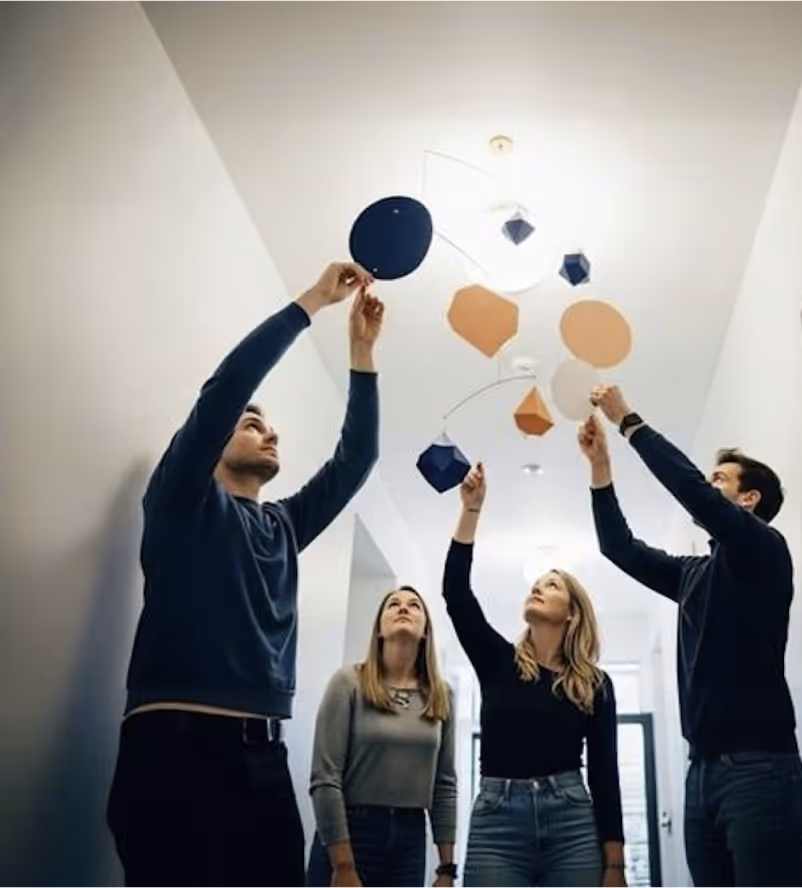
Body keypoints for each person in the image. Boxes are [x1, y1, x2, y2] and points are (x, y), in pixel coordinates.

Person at [106, 263, 384, 888]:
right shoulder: (183, 501)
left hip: (263, 757)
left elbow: (357, 458)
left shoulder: (283, 526)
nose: (270, 430)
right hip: (172, 750)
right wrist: (314, 301)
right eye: (252, 423)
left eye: (269, 424)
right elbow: (227, 389)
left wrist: (361, 354)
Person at [578, 385, 802, 888]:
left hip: (760, 769)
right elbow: (619, 548)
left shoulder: (765, 549)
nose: (707, 485)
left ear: (749, 499)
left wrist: (628, 420)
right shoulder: (693, 575)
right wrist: (600, 470)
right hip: (700, 776)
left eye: (719, 479)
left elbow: (692, 492)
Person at [443, 462, 628, 888]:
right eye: (536, 583)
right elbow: (456, 593)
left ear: (572, 612)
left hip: (573, 824)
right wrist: (471, 511)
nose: (537, 588)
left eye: (552, 585)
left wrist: (615, 865)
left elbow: (605, 773)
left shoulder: (595, 684)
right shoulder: (497, 662)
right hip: (497, 824)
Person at [307, 585, 458, 888]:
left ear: (426, 630)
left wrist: (446, 869)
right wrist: (344, 865)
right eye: (393, 604)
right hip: (350, 833)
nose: (404, 608)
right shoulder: (348, 682)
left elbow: (445, 785)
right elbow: (325, 779)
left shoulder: (441, 695)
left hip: (410, 841)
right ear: (378, 629)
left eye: (415, 605)